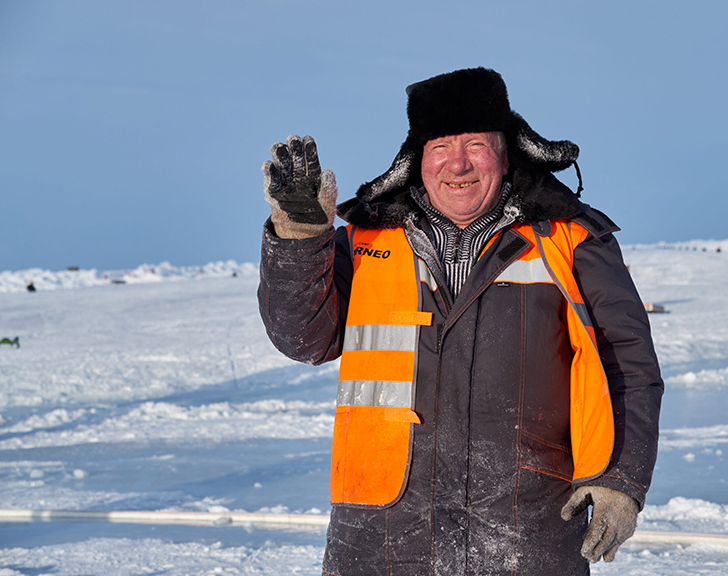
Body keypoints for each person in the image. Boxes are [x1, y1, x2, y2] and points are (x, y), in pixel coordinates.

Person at [258, 67, 663, 575]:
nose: (457, 164)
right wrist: (300, 239)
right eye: (440, 146)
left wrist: (621, 479)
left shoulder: (572, 241)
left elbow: (628, 364)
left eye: (475, 144)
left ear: (507, 150)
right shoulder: (365, 242)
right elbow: (303, 339)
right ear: (416, 160)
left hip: (525, 525)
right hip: (382, 532)